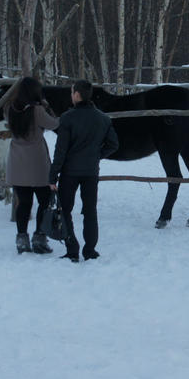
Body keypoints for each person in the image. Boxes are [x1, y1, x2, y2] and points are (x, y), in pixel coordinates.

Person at [48, 80, 119, 262]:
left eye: (72, 92)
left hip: (69, 173)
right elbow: (113, 145)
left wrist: (53, 175)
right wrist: (96, 156)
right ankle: (90, 251)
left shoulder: (67, 118)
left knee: (66, 211)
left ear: (77, 95)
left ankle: (73, 249)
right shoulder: (103, 118)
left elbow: (60, 150)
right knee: (90, 211)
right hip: (91, 172)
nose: (71, 95)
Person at [5, 77, 59, 254]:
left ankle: (21, 238)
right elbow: (54, 123)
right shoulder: (37, 110)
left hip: (17, 161)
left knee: (24, 202)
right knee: (44, 201)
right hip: (37, 162)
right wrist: (48, 107)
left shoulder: (10, 109)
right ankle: (39, 236)